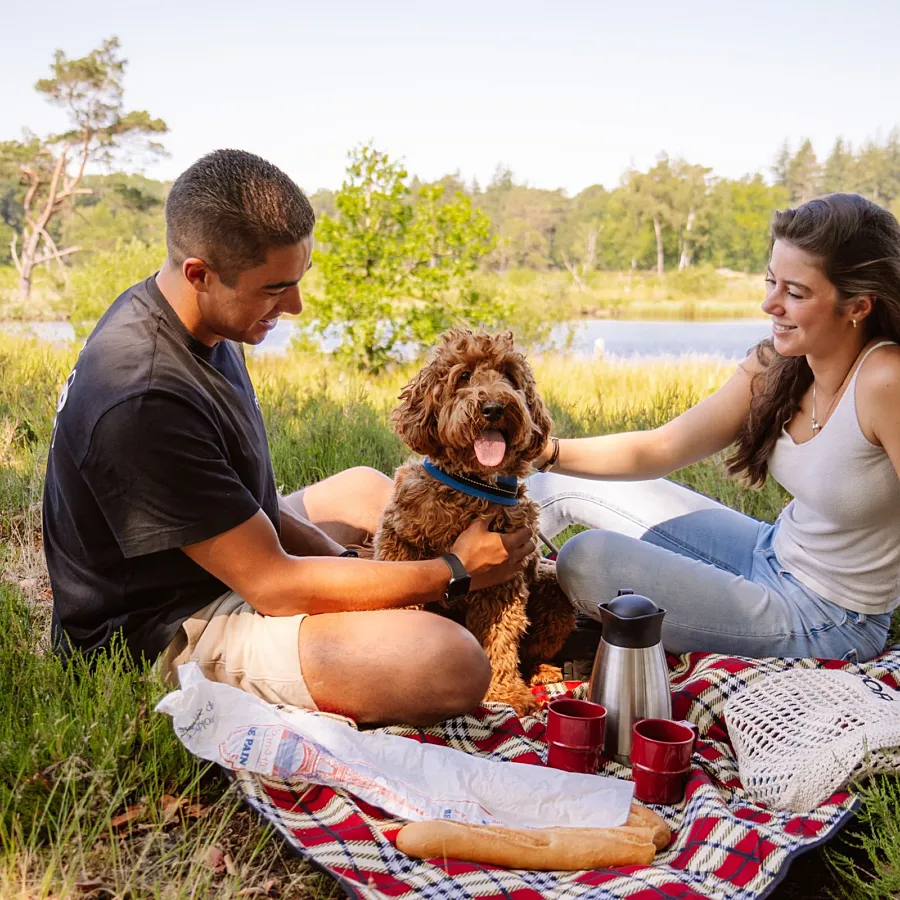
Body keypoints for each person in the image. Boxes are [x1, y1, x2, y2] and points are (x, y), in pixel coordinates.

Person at [43, 149, 535, 726]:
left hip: (215, 548)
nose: (295, 307)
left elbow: (246, 505)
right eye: (275, 289)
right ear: (199, 273)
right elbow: (274, 586)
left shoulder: (201, 317)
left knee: (363, 488)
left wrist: (351, 567)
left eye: (296, 281)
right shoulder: (145, 396)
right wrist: (453, 573)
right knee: (450, 661)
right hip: (159, 625)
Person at [525, 192, 900, 664]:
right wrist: (541, 450)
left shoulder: (886, 380)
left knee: (584, 560)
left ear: (858, 307)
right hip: (769, 551)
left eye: (795, 293)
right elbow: (662, 448)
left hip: (829, 618)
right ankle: (453, 590)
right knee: (557, 481)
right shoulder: (778, 366)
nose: (770, 304)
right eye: (771, 282)